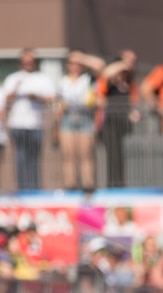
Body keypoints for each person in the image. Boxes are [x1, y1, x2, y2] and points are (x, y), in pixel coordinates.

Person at [3, 49, 55, 190]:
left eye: (30, 62)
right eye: (25, 62)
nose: (28, 64)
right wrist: (16, 89)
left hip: (36, 124)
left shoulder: (42, 78)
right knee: (20, 157)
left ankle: (35, 188)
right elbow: (5, 98)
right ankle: (22, 188)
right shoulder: (13, 78)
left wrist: (36, 96)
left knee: (34, 158)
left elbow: (51, 97)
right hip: (17, 124)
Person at [55, 50, 104, 192]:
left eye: (77, 63)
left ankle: (87, 185)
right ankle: (70, 185)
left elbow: (100, 65)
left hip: (85, 116)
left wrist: (82, 57)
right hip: (68, 117)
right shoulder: (62, 81)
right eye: (71, 63)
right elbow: (59, 101)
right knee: (68, 154)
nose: (75, 65)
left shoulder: (88, 78)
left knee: (85, 154)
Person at [94, 50, 140, 188]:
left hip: (124, 124)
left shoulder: (130, 84)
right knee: (112, 155)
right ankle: (112, 184)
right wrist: (122, 64)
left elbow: (133, 103)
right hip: (109, 123)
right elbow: (104, 74)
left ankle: (121, 184)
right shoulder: (110, 82)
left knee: (122, 155)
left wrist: (134, 113)